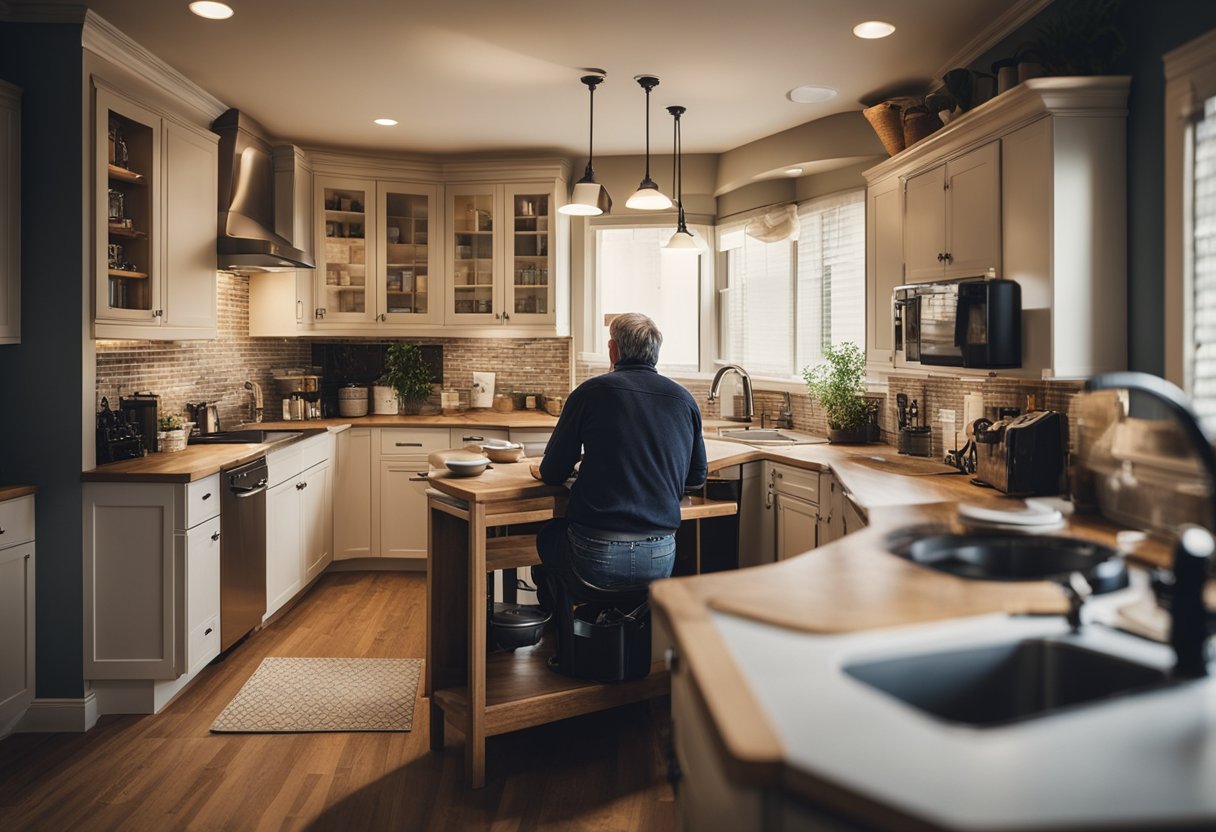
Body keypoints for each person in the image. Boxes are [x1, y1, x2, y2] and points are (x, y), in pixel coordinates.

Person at [530, 312, 708, 602]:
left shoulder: (589, 393)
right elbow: (696, 478)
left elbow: (552, 472)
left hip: (595, 555)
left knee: (548, 536)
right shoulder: (683, 399)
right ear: (656, 352)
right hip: (660, 556)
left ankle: (564, 637)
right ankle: (623, 632)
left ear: (614, 350)